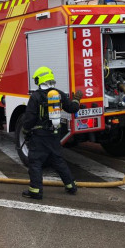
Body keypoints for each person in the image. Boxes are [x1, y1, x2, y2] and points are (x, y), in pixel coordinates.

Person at [21, 66, 83, 200]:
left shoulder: (35, 97)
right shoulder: (58, 93)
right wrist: (77, 99)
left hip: (39, 136)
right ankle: (71, 185)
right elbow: (72, 108)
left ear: (40, 80)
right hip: (55, 134)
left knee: (35, 162)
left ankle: (35, 190)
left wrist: (25, 130)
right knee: (58, 160)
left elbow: (29, 118)